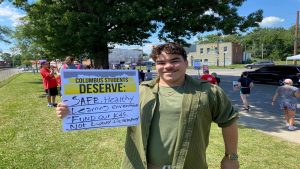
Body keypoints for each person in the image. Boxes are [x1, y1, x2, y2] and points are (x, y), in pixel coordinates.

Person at [56, 42, 239, 169]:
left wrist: (230, 157)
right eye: (161, 62)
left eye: (175, 60)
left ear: (186, 62)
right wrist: (71, 111)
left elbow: (228, 121)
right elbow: (103, 108)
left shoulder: (209, 92)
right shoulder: (137, 91)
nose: (168, 66)